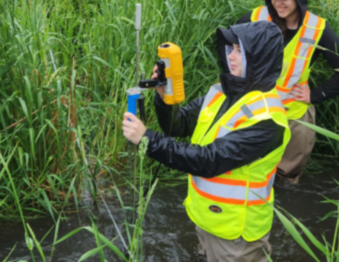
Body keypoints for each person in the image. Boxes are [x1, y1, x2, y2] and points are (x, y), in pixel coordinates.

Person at [123, 21, 291, 262]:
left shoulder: (267, 120)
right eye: (230, 48)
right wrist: (163, 99)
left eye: (240, 51)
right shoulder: (221, 92)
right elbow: (178, 125)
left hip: (237, 238)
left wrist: (147, 139)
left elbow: (208, 161)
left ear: (260, 58)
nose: (230, 56)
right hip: (206, 220)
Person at [229, 0, 339, 185]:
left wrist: (315, 95)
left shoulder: (317, 29)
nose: (278, 2)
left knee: (286, 180)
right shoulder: (256, 17)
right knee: (248, 173)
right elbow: (228, 46)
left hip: (294, 115)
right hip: (254, 111)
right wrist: (236, 83)